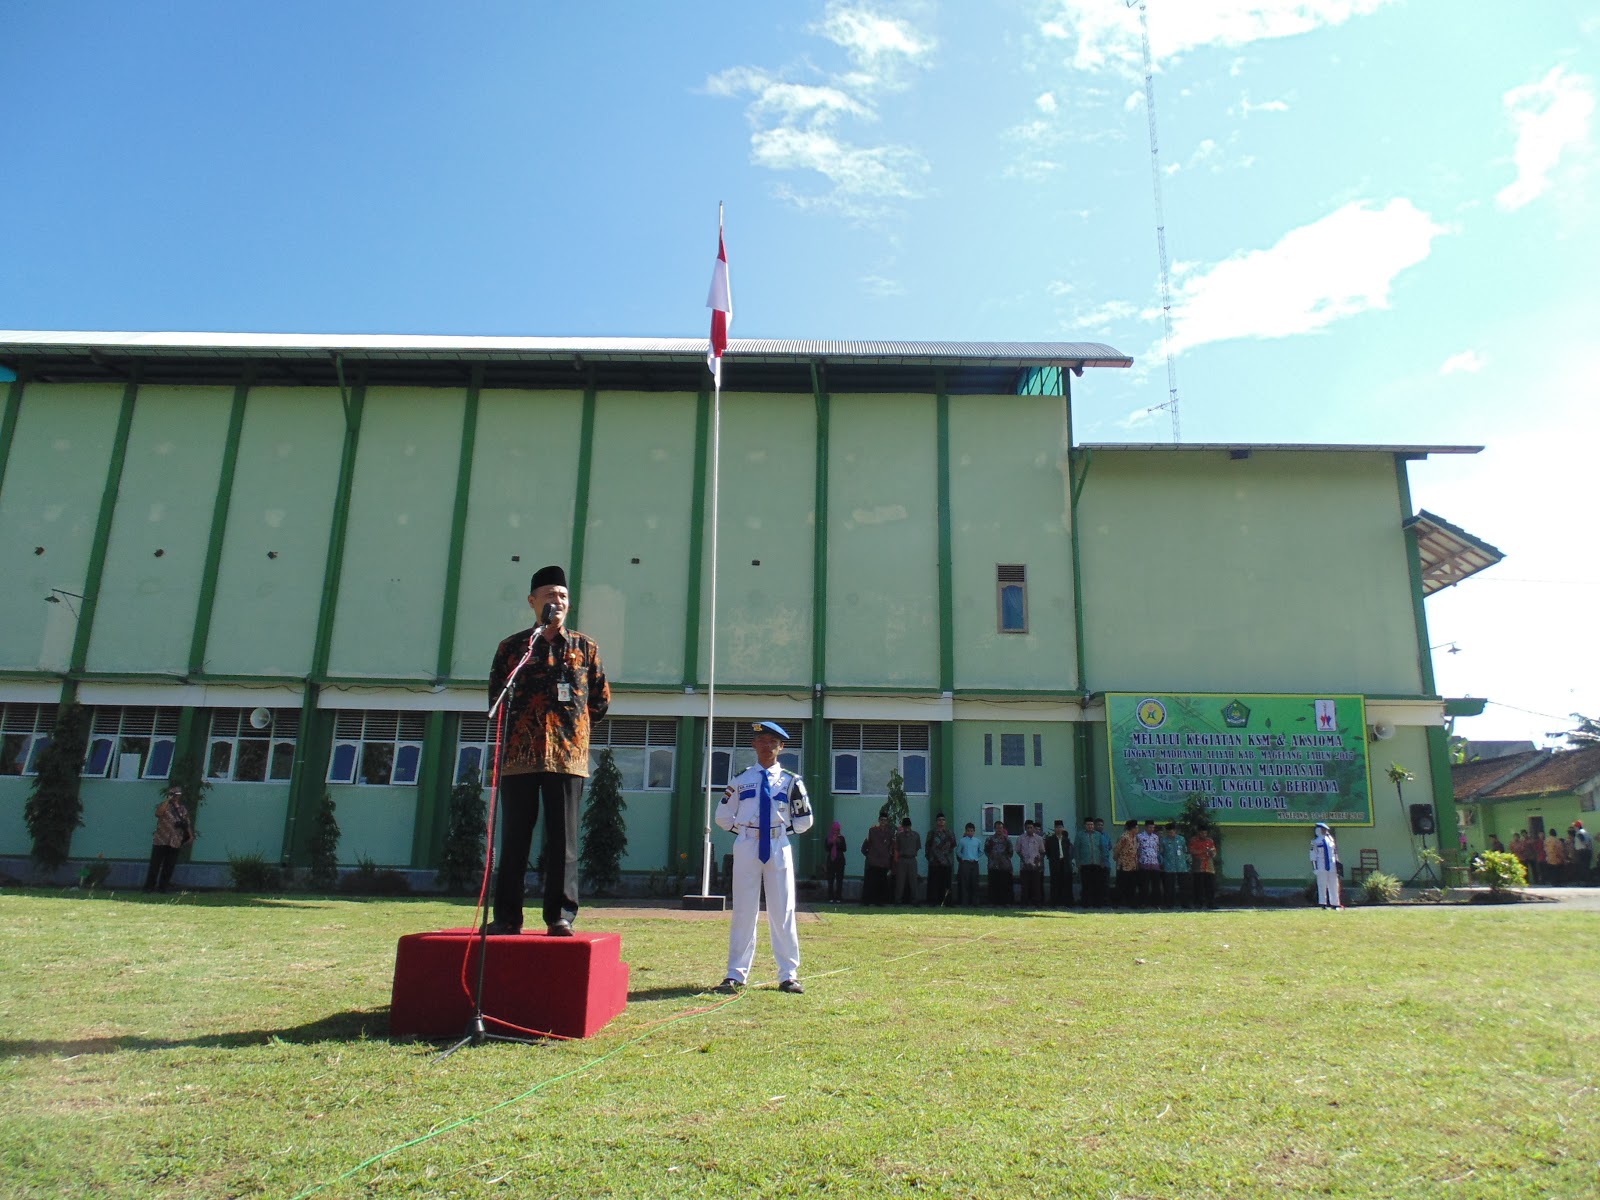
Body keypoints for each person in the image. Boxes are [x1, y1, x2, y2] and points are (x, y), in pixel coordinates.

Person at [487, 565, 610, 937]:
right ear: (532, 601)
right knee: (515, 842)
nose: (557, 602)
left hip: (567, 758)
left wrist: (571, 728)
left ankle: (560, 917)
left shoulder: (585, 648)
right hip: (519, 758)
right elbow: (496, 695)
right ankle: (508, 917)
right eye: (549, 596)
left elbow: (600, 701)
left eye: (563, 596)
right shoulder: (513, 648)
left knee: (563, 842)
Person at [716, 721, 813, 993]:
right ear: (753, 745)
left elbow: (805, 819)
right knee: (744, 910)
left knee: (783, 910)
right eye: (761, 740)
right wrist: (746, 830)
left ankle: (788, 974)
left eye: (772, 741)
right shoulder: (741, 779)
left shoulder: (791, 781)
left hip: (778, 844)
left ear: (781, 747)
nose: (766, 745)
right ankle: (735, 974)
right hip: (747, 844)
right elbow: (723, 816)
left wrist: (779, 831)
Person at [143, 783, 195, 893]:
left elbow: (186, 823)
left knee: (169, 865)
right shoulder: (164, 806)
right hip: (161, 839)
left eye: (176, 794)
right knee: (155, 865)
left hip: (175, 840)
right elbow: (158, 813)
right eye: (173, 794)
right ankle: (149, 887)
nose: (174, 796)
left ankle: (163, 887)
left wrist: (190, 835)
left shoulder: (182, 809)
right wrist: (167, 800)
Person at [861, 811, 895, 905]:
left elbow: (891, 847)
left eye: (885, 820)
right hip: (873, 861)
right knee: (871, 883)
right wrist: (869, 855)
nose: (883, 822)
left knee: (882, 883)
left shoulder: (890, 833)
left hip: (883, 862)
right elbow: (867, 844)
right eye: (882, 820)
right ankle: (867, 901)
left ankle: (880, 901)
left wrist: (889, 858)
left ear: (887, 821)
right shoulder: (872, 831)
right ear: (879, 820)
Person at [924, 813, 956, 906]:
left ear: (945, 821)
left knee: (946, 884)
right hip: (934, 862)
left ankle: (947, 902)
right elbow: (927, 846)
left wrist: (947, 857)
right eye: (939, 820)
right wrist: (930, 858)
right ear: (936, 821)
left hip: (946, 862)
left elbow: (953, 845)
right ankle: (933, 902)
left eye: (943, 820)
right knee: (934, 884)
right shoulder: (932, 833)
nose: (941, 822)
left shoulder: (950, 833)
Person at [1075, 816, 1107, 907]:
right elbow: (1076, 849)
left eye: (1092, 824)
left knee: (1097, 884)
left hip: (1097, 863)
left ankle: (1097, 903)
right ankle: (1086, 903)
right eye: (1088, 824)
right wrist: (1078, 862)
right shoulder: (1080, 835)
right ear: (1085, 825)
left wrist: (1103, 861)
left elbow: (1102, 848)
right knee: (1086, 884)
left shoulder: (1098, 835)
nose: (1090, 826)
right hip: (1085, 863)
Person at [1310, 822, 1341, 909]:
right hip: (1321, 865)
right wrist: (1315, 868)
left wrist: (1338, 865)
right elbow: (1313, 856)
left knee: (1334, 885)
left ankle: (1335, 904)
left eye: (1326, 829)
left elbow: (1335, 853)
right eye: (1323, 829)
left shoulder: (1331, 840)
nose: (1325, 831)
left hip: (1332, 865)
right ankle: (1323, 903)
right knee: (1322, 885)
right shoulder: (1315, 842)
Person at [1158, 822, 1188, 909]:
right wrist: (1162, 864)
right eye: (1169, 832)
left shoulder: (1181, 839)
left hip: (1181, 866)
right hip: (1169, 866)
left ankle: (1185, 904)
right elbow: (1161, 853)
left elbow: (1184, 850)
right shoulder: (1164, 840)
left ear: (1175, 831)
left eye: (1172, 832)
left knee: (1184, 886)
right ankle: (1169, 904)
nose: (1171, 834)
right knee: (1169, 887)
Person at [893, 817, 922, 904]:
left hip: (912, 859)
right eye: (905, 826)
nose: (906, 828)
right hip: (902, 859)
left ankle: (915, 900)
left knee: (913, 881)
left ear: (910, 826)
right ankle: (898, 900)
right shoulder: (899, 836)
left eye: (908, 826)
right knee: (900, 881)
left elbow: (917, 847)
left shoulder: (916, 835)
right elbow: (897, 847)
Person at [1045, 819, 1073, 906]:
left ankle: (1066, 902)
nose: (1059, 829)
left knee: (1066, 882)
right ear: (1054, 828)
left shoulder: (1066, 840)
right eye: (1057, 827)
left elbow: (1069, 852)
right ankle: (1054, 902)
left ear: (1063, 828)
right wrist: (1052, 859)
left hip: (1065, 863)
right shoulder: (1050, 840)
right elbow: (1048, 852)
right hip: (1055, 863)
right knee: (1055, 883)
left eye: (1060, 827)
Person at [1016, 820, 1045, 905]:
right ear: (1025, 828)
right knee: (1025, 886)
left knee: (1036, 886)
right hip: (1024, 866)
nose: (1029, 829)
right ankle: (1024, 903)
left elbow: (1042, 851)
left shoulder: (1039, 839)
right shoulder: (1020, 838)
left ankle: (1037, 903)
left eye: (1031, 828)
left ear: (1033, 828)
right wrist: (1023, 859)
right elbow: (1018, 850)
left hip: (1035, 866)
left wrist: (1038, 861)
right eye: (1027, 828)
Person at [1188, 825, 1217, 910]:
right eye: (1202, 833)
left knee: (1210, 887)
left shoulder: (1210, 841)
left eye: (1205, 833)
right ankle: (1198, 904)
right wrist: (1203, 851)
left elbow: (1214, 853)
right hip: (1198, 867)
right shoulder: (1194, 840)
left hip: (1209, 867)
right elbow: (1191, 851)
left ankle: (1211, 904)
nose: (1204, 834)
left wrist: (1211, 852)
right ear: (1198, 833)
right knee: (1198, 887)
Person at [985, 821, 1014, 905]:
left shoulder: (1007, 840)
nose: (999, 830)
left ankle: (1005, 903)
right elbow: (987, 851)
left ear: (1003, 828)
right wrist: (993, 858)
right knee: (993, 885)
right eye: (997, 828)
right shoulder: (990, 839)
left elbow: (1010, 852)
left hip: (1004, 866)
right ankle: (993, 902)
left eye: (1000, 828)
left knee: (1004, 885)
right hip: (993, 866)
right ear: (994, 829)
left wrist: (1003, 859)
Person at [1113, 819, 1140, 908]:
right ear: (1132, 828)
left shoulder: (1134, 837)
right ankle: (1116, 903)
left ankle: (1131, 903)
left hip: (1133, 865)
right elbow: (1117, 849)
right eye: (1136, 827)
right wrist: (1116, 859)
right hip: (1124, 865)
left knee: (1132, 885)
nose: (1137, 829)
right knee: (1121, 885)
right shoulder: (1124, 837)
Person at [955, 821, 983, 905]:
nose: (970, 832)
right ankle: (964, 901)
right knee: (965, 883)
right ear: (965, 831)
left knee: (974, 882)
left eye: (971, 831)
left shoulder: (977, 841)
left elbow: (981, 851)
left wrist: (976, 858)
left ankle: (974, 902)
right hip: (965, 863)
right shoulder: (962, 841)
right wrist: (962, 858)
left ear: (974, 831)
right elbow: (958, 851)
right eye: (968, 831)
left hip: (974, 863)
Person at [1137, 819, 1162, 908]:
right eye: (1150, 827)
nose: (1151, 829)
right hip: (1144, 863)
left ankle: (1156, 903)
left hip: (1154, 863)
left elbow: (1157, 849)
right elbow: (1137, 849)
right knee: (1144, 885)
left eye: (1153, 827)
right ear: (1146, 827)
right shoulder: (1139, 836)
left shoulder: (1156, 837)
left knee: (1156, 885)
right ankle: (1143, 903)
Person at [823, 820, 848, 902]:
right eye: (835, 829)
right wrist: (832, 843)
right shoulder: (828, 838)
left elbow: (844, 849)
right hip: (831, 861)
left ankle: (838, 897)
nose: (836, 831)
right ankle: (830, 897)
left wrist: (838, 843)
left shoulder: (841, 838)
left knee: (839, 880)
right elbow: (826, 848)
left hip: (840, 861)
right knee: (830, 880)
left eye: (838, 829)